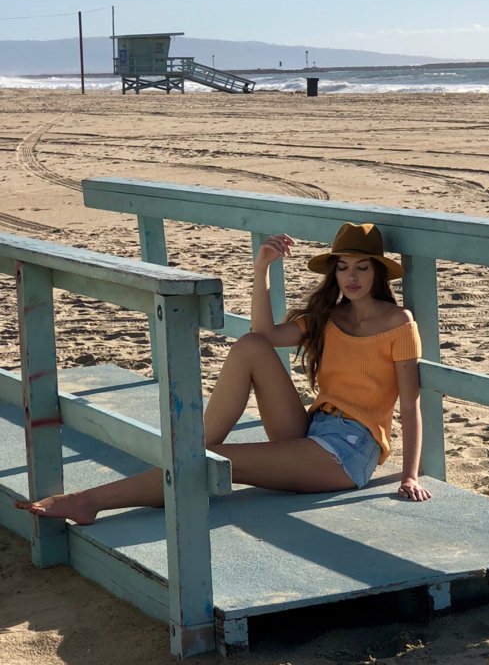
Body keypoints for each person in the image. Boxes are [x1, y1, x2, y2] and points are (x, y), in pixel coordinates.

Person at [16, 222, 432, 525]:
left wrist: (409, 475)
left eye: (362, 267)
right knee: (250, 346)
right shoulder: (328, 315)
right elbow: (265, 334)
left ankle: (88, 501)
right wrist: (262, 267)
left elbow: (410, 406)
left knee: (216, 462)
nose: (352, 277)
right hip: (310, 429)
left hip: (349, 452)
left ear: (378, 272)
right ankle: (191, 446)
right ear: (334, 272)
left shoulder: (399, 324)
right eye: (343, 267)